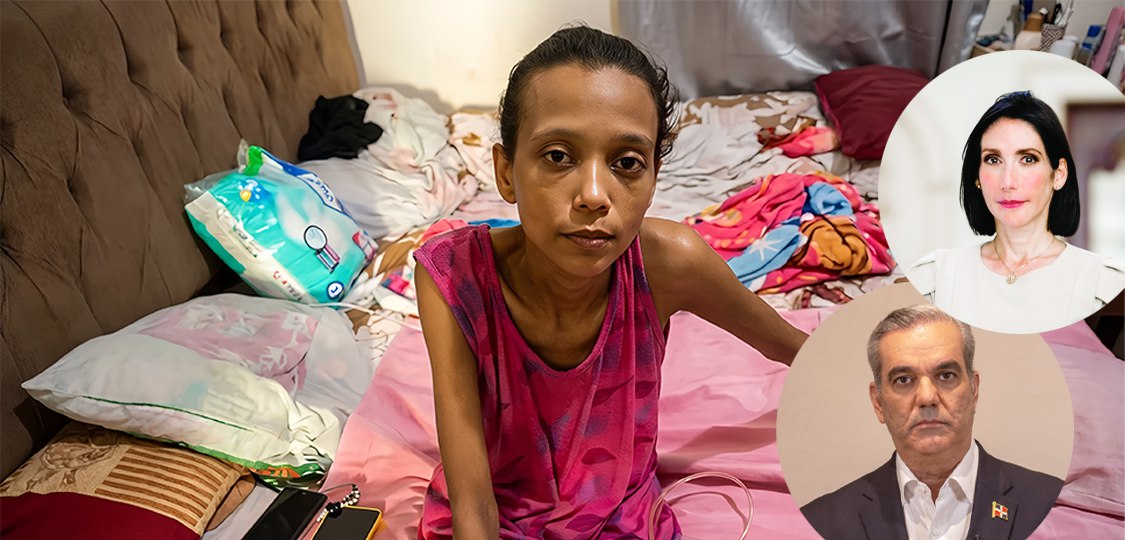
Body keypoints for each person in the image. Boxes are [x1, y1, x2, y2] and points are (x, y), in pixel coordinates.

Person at [410, 25, 808, 539]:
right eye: (558, 156)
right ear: (506, 173)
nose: (595, 195)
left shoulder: (669, 263)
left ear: (653, 179)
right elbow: (473, 503)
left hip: (622, 523)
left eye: (626, 163)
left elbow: (794, 348)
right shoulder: (453, 278)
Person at [800, 304, 1063, 540]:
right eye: (903, 380)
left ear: (974, 390)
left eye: (946, 376)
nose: (927, 398)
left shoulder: (1050, 502)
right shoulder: (822, 519)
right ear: (878, 402)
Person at [907, 91, 1124, 334]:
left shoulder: (1102, 282)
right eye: (993, 160)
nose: (1008, 182)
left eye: (1028, 159)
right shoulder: (936, 276)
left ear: (1059, 174)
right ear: (976, 177)